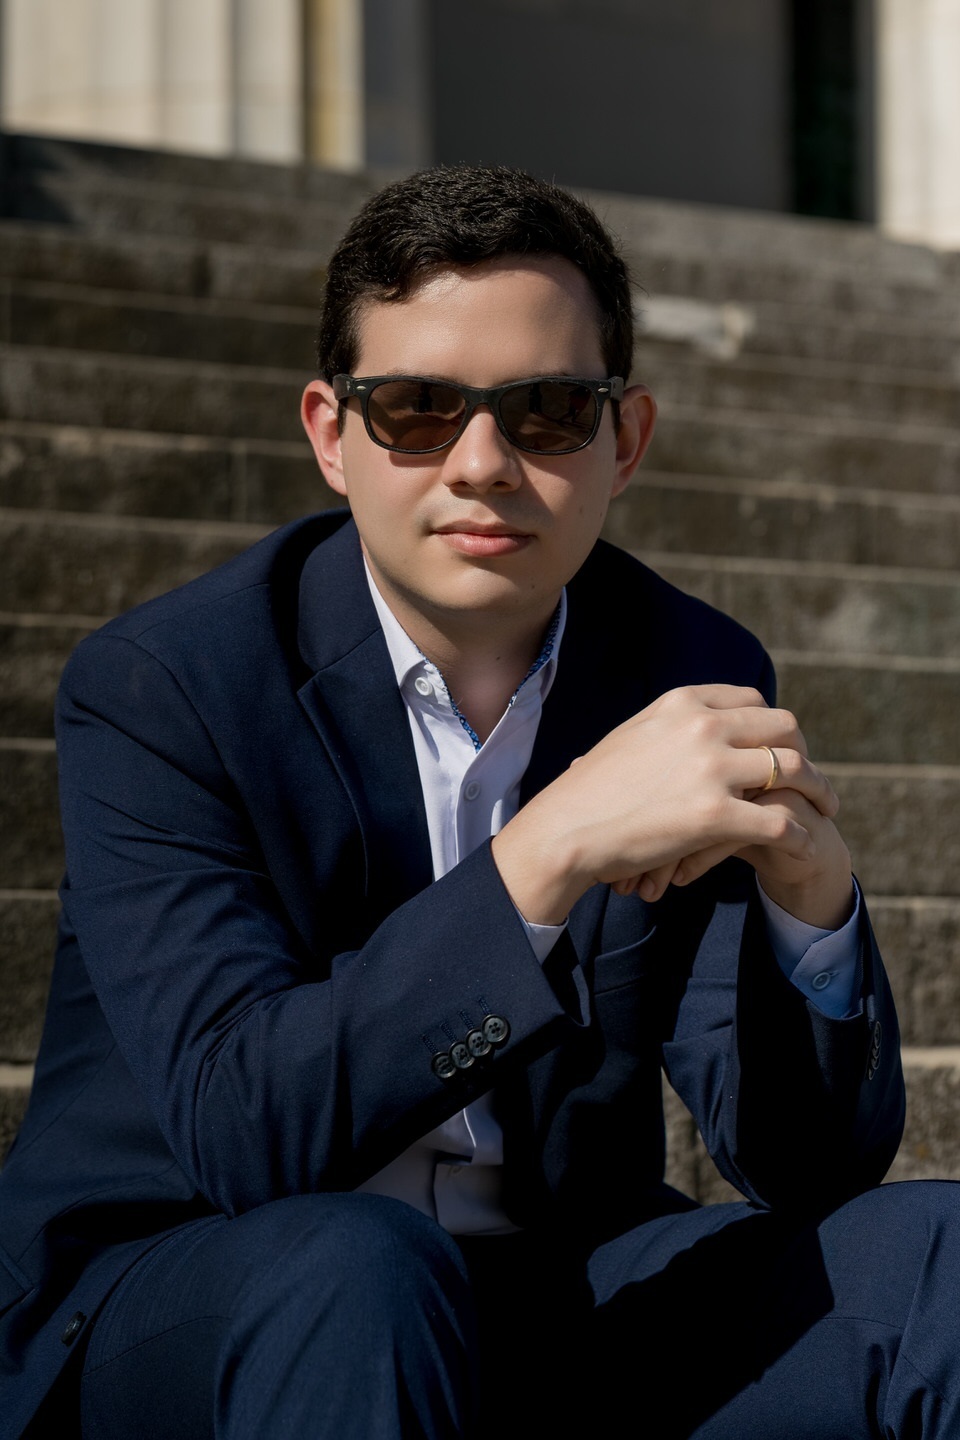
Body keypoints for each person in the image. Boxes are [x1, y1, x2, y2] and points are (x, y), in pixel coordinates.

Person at [0, 164, 957, 1440]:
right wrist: (546, 851)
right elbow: (245, 1137)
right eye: (417, 409)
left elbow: (806, 1168)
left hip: (552, 1293)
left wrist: (813, 909)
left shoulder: (680, 670)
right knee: (358, 1270)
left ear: (626, 440)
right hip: (203, 1294)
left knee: (940, 1262)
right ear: (331, 435)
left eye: (549, 411)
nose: (484, 464)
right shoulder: (168, 687)